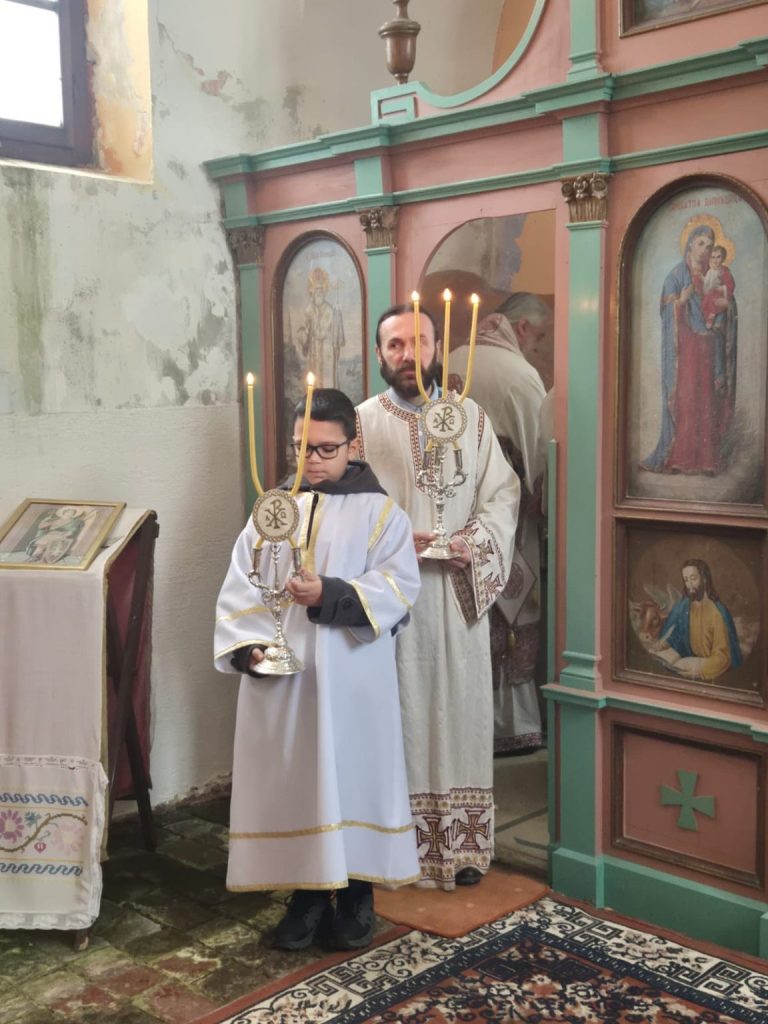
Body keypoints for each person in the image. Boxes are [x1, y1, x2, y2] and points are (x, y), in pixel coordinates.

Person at [214, 388, 421, 951]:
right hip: (289, 684)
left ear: (353, 446)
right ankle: (305, 897)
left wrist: (329, 593)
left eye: (326, 450)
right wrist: (249, 648)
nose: (312, 461)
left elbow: (401, 587)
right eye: (301, 448)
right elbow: (241, 585)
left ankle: (356, 895)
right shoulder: (273, 512)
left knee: (353, 776)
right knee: (298, 779)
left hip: (353, 678)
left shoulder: (381, 513)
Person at [356, 303, 519, 890]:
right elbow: (340, 513)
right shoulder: (360, 426)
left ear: (436, 348)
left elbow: (502, 495)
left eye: (418, 342)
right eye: (395, 345)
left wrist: (468, 543)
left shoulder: (470, 419)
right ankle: (394, 850)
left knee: (458, 712)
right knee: (397, 718)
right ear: (379, 354)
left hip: (454, 597)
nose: (408, 355)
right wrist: (396, 541)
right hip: (390, 604)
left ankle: (460, 846)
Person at [451, 293, 552, 755]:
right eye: (540, 337)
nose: (539, 347)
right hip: (507, 522)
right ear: (523, 327)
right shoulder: (518, 375)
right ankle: (512, 726)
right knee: (513, 607)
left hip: (452, 522)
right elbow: (538, 460)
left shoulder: (448, 360)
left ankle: (466, 724)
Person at [641, 224, 737, 476]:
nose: (705, 250)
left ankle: (707, 461)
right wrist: (681, 302)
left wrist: (724, 307)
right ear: (691, 243)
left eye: (710, 245)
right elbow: (666, 311)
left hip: (709, 349)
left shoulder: (717, 274)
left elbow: (728, 304)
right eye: (701, 243)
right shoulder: (675, 276)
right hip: (684, 350)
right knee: (685, 399)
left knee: (706, 399)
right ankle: (679, 458)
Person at [648, 559, 742, 681]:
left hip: (708, 668)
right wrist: (665, 644)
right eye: (686, 580)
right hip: (686, 662)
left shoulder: (717, 613)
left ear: (704, 579)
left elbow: (723, 657)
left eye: (693, 578)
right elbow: (679, 635)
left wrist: (700, 672)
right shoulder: (685, 606)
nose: (689, 585)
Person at [296, 267, 346, 388]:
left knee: (328, 383)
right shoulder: (308, 311)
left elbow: (335, 337)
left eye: (321, 289)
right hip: (313, 354)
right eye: (316, 290)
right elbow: (302, 332)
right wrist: (304, 334)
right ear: (312, 292)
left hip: (327, 353)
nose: (318, 292)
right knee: (314, 386)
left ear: (324, 291)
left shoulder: (331, 311)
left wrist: (337, 319)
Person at [701, 245, 735, 330]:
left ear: (723, 258)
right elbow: (707, 284)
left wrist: (722, 288)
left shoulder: (724, 271)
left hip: (722, 294)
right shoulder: (710, 271)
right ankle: (710, 318)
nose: (715, 260)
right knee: (706, 301)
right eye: (713, 257)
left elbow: (731, 285)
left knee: (717, 304)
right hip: (712, 293)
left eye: (718, 257)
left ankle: (716, 320)